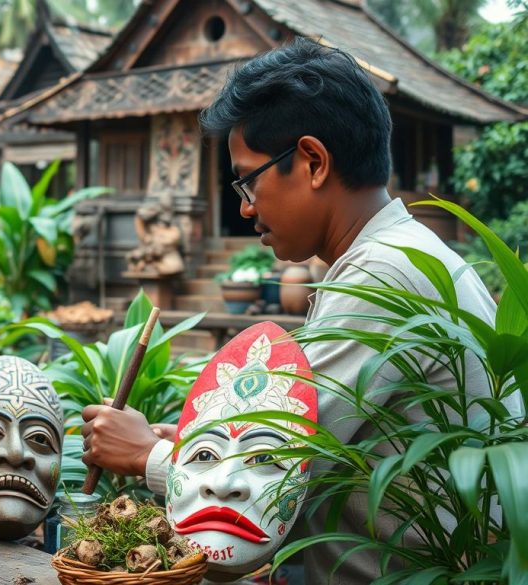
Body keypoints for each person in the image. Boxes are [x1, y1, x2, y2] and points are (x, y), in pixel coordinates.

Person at [81, 39, 498, 583]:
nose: (245, 206)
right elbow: (287, 436)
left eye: (248, 178)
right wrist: (188, 445)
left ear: (314, 162)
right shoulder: (407, 254)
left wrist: (146, 458)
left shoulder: (385, 274)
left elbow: (271, 481)